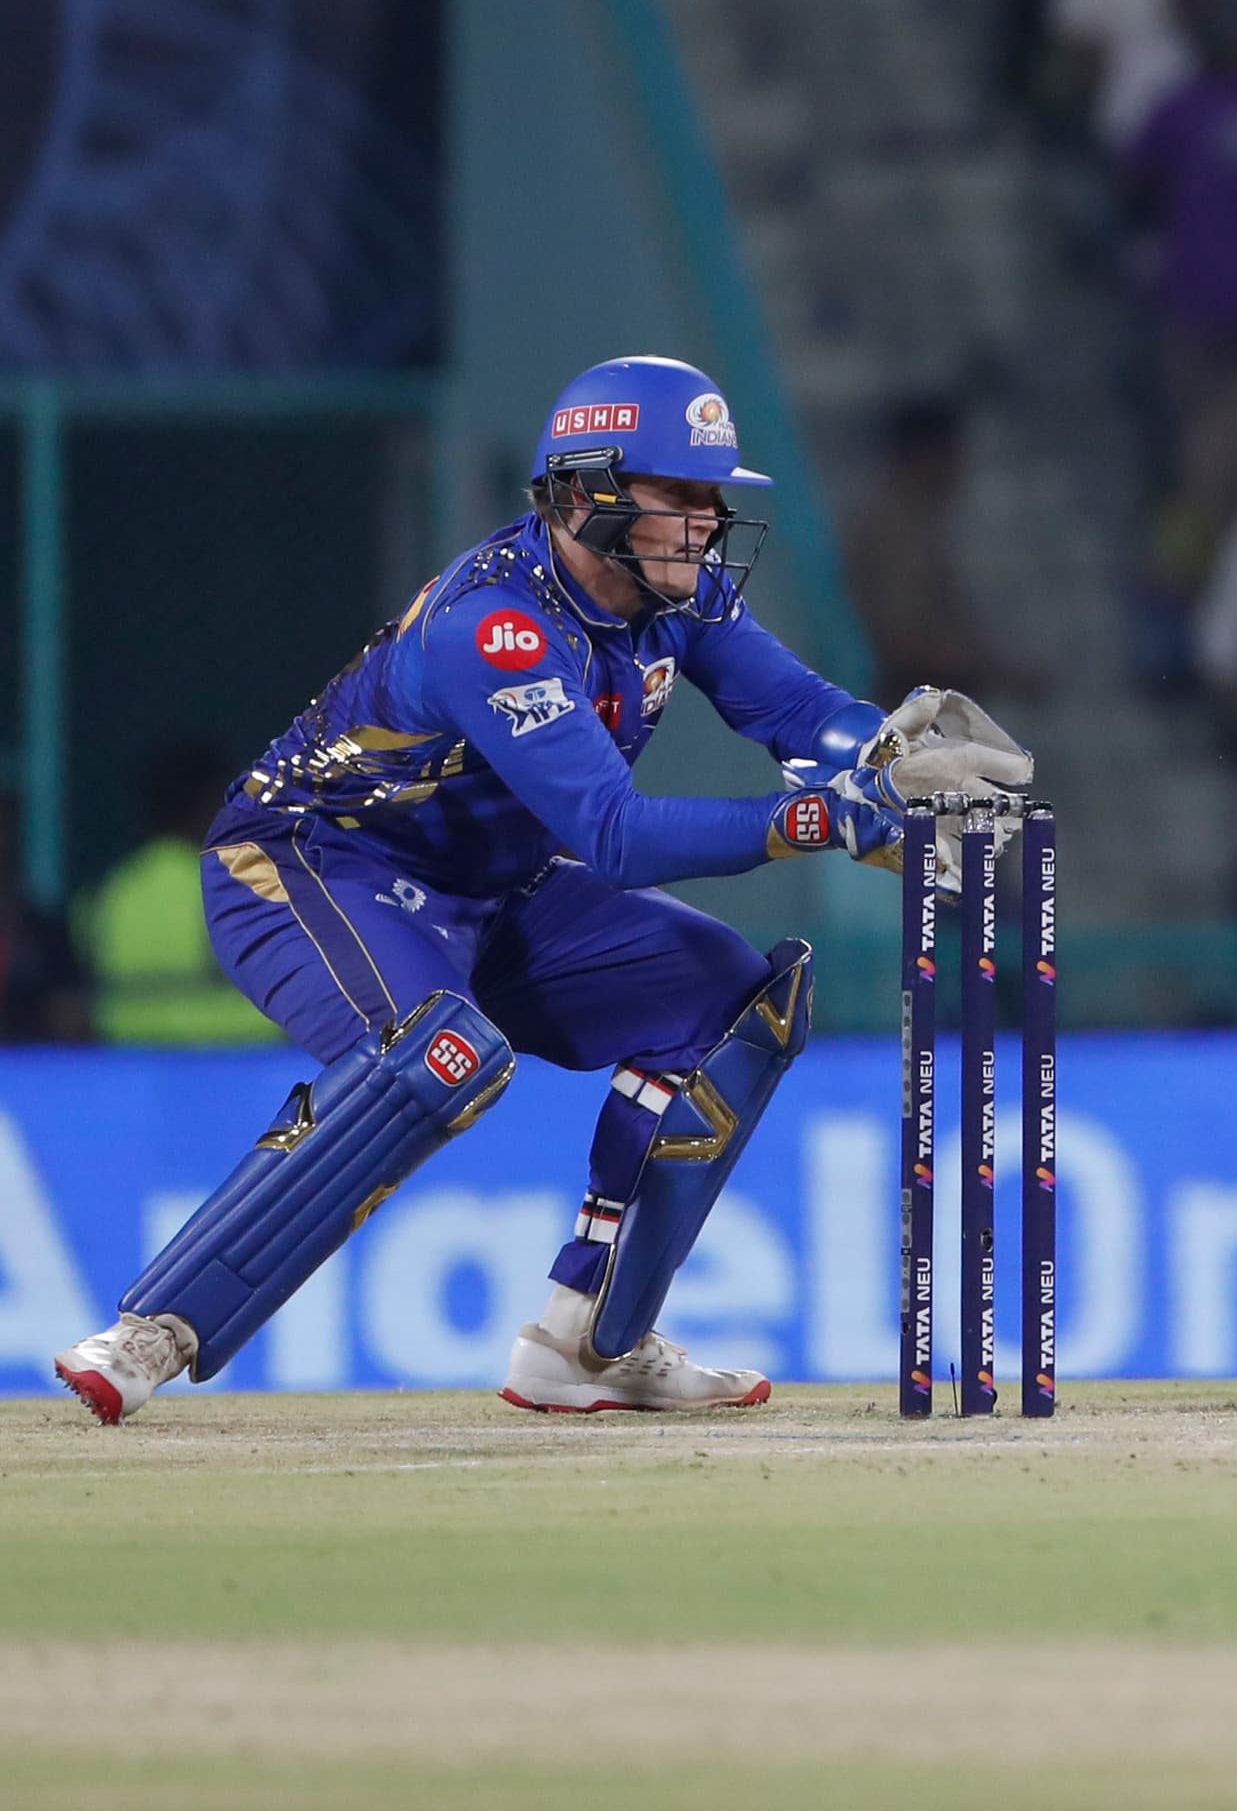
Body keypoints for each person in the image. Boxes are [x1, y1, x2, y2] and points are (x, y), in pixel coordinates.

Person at [54, 358, 1035, 1425]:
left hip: (497, 885)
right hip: (314, 865)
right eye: (679, 496)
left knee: (732, 998)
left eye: (713, 498)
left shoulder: (679, 594)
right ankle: (154, 1328)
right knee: (442, 1053)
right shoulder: (494, 624)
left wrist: (892, 756)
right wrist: (826, 818)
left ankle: (592, 1343)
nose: (705, 523)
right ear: (583, 493)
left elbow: (801, 713)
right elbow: (611, 833)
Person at [78, 744, 272, 1048]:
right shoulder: (227, 884)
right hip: (226, 1062)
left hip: (123, 1065)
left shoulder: (110, 890)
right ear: (206, 803)